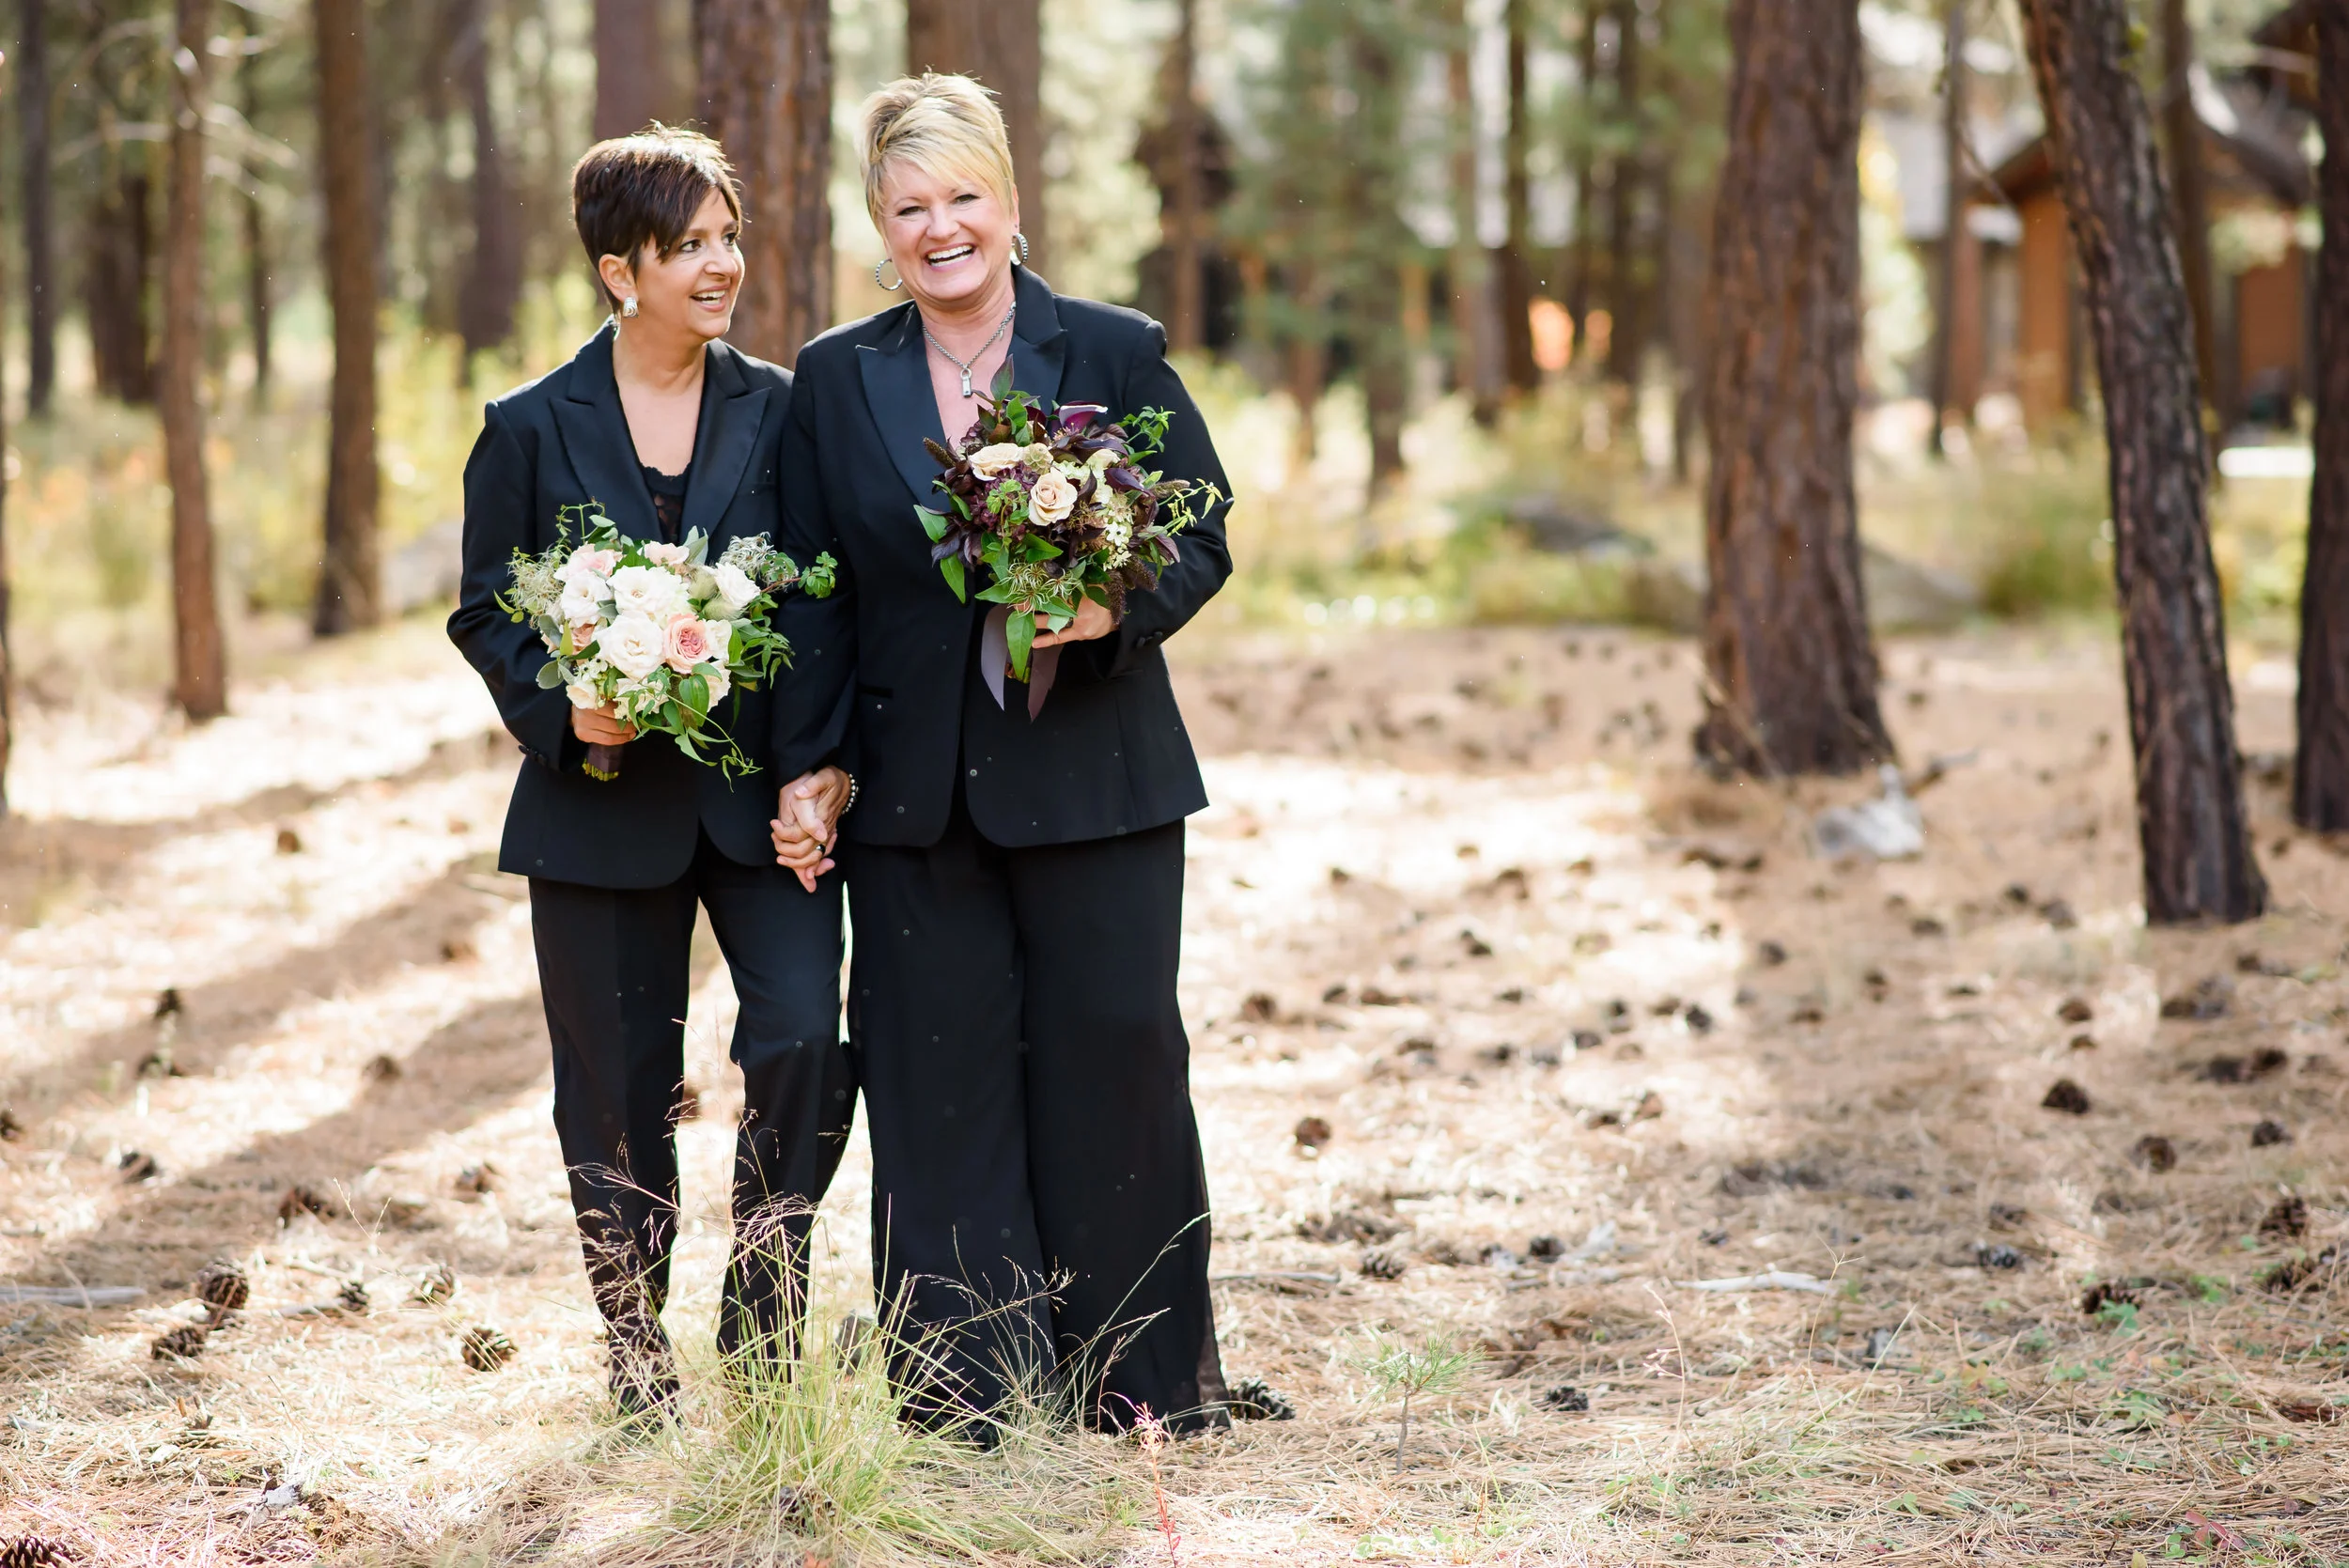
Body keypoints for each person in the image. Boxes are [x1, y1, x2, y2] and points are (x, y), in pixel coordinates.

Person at [767, 73, 1237, 1434]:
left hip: (1099, 781)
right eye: (911, 207)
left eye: (964, 196)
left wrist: (1112, 605)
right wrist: (814, 761)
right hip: (917, 804)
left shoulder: (1112, 350)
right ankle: (967, 1393)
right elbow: (814, 590)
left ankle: (1139, 1385)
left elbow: (1201, 529)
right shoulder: (833, 381)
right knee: (936, 1081)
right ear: (881, 226)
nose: (942, 227)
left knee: (1119, 1060)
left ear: (1012, 204)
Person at [448, 127, 853, 1416]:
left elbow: (825, 613)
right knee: (616, 1092)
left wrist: (816, 774)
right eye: (691, 247)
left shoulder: (788, 409)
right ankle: (635, 1349)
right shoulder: (526, 425)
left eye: (728, 238)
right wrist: (570, 715)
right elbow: (483, 611)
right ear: (622, 270)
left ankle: (768, 1301)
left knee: (801, 1036)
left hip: (762, 809)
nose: (722, 263)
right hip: (595, 808)